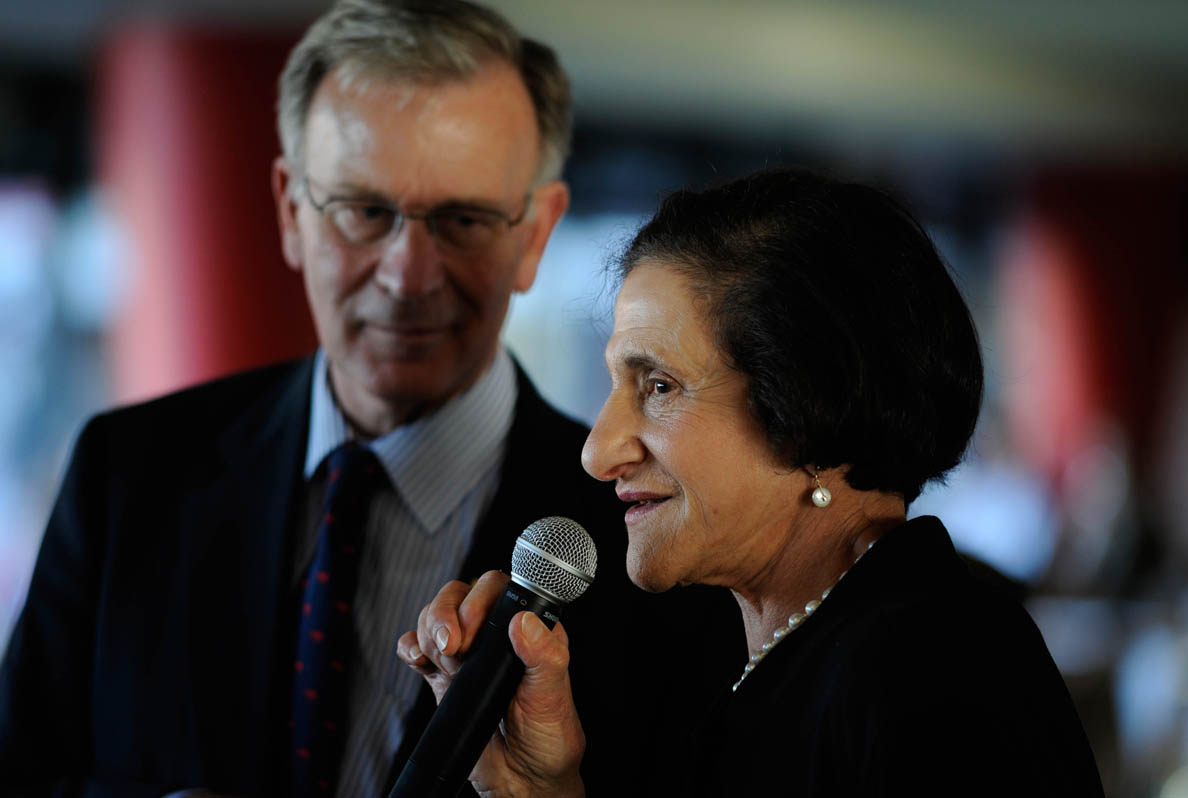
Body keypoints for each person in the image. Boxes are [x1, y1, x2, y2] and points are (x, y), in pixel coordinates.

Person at [0, 1, 742, 796]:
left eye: (463, 218)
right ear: (291, 212)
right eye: (363, 211)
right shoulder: (127, 474)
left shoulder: (655, 541)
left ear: (534, 234)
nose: (407, 275)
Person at [401, 167, 1107, 795]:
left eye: (659, 385)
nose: (597, 451)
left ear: (808, 405)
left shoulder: (934, 668)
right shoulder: (786, 656)